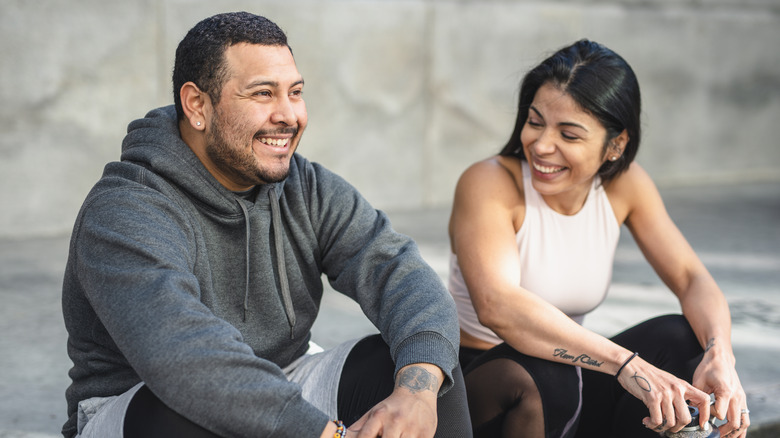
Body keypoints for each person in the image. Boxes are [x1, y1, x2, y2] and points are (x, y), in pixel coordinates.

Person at [61, 11, 471, 438]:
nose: (288, 115)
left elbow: (403, 277)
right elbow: (184, 360)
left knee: (423, 366)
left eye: (295, 93)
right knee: (185, 411)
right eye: (262, 94)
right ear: (197, 105)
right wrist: (328, 435)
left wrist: (416, 392)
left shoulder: (306, 186)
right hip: (144, 409)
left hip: (283, 377)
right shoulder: (125, 210)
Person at [447, 39, 748, 438]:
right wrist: (627, 365)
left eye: (568, 135)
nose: (541, 144)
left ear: (615, 145)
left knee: (678, 338)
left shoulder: (626, 186)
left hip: (569, 380)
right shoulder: (489, 183)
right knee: (552, 373)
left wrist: (719, 354)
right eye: (535, 122)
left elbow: (691, 277)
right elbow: (497, 305)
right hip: (483, 387)